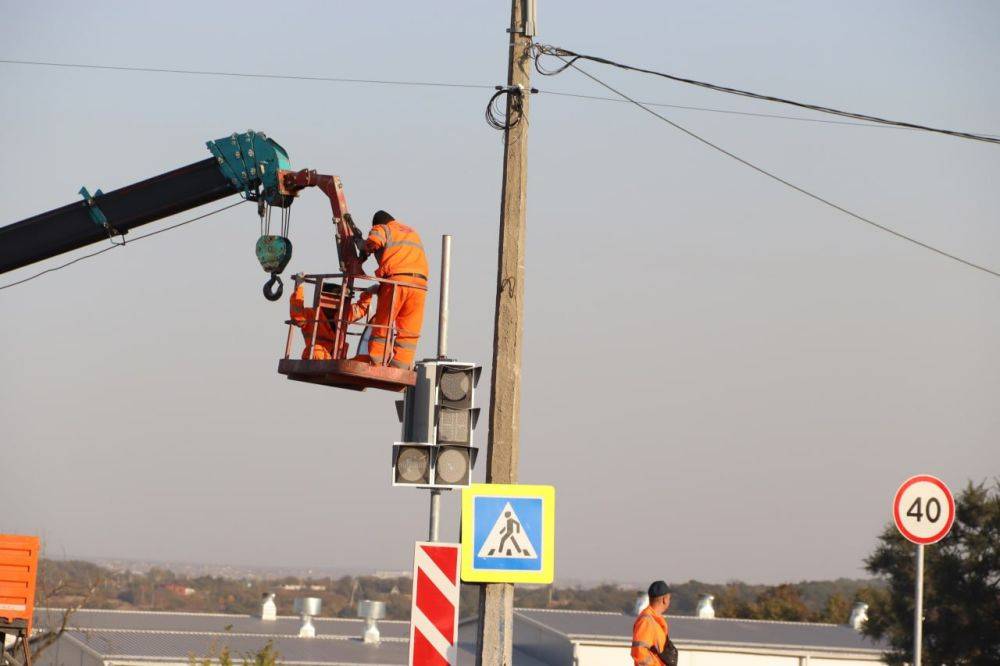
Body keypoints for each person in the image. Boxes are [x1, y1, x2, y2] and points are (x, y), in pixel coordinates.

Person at [356, 210, 428, 369]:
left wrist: (362, 244)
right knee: (409, 330)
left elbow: (374, 241)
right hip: (419, 286)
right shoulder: (411, 232)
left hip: (397, 282)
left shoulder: (383, 228)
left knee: (383, 323)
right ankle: (399, 367)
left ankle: (375, 362)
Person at [290, 281, 374, 360]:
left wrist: (368, 293)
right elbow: (298, 316)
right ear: (324, 299)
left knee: (364, 359)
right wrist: (299, 288)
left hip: (338, 357)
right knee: (315, 351)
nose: (337, 303)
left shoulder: (343, 315)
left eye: (340, 300)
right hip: (317, 358)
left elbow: (360, 308)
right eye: (335, 299)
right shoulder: (311, 315)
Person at [632, 581, 676, 666]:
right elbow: (639, 652)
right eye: (669, 598)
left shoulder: (655, 622)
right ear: (665, 600)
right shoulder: (647, 621)